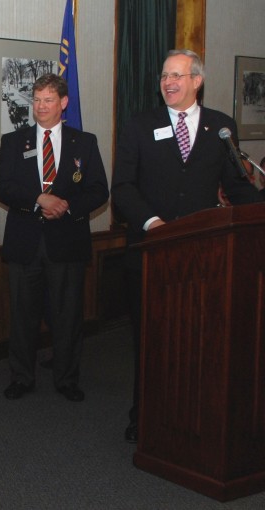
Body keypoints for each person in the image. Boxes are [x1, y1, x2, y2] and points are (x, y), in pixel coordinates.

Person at [111, 49, 263, 444]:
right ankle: (143, 415)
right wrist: (153, 224)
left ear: (197, 80)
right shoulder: (140, 125)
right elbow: (123, 188)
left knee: (200, 340)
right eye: (164, 75)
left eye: (177, 75)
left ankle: (193, 413)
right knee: (151, 342)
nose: (168, 82)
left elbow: (238, 188)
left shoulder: (221, 127)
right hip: (149, 252)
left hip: (205, 257)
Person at [0, 73, 109, 402]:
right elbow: (3, 187)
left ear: (63, 103)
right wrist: (38, 199)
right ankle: (21, 377)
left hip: (67, 242)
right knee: (22, 316)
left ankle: (67, 379)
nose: (41, 107)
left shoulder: (84, 142)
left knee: (68, 316)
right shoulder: (14, 142)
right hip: (24, 242)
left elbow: (100, 190)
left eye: (48, 100)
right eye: (37, 100)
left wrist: (67, 205)